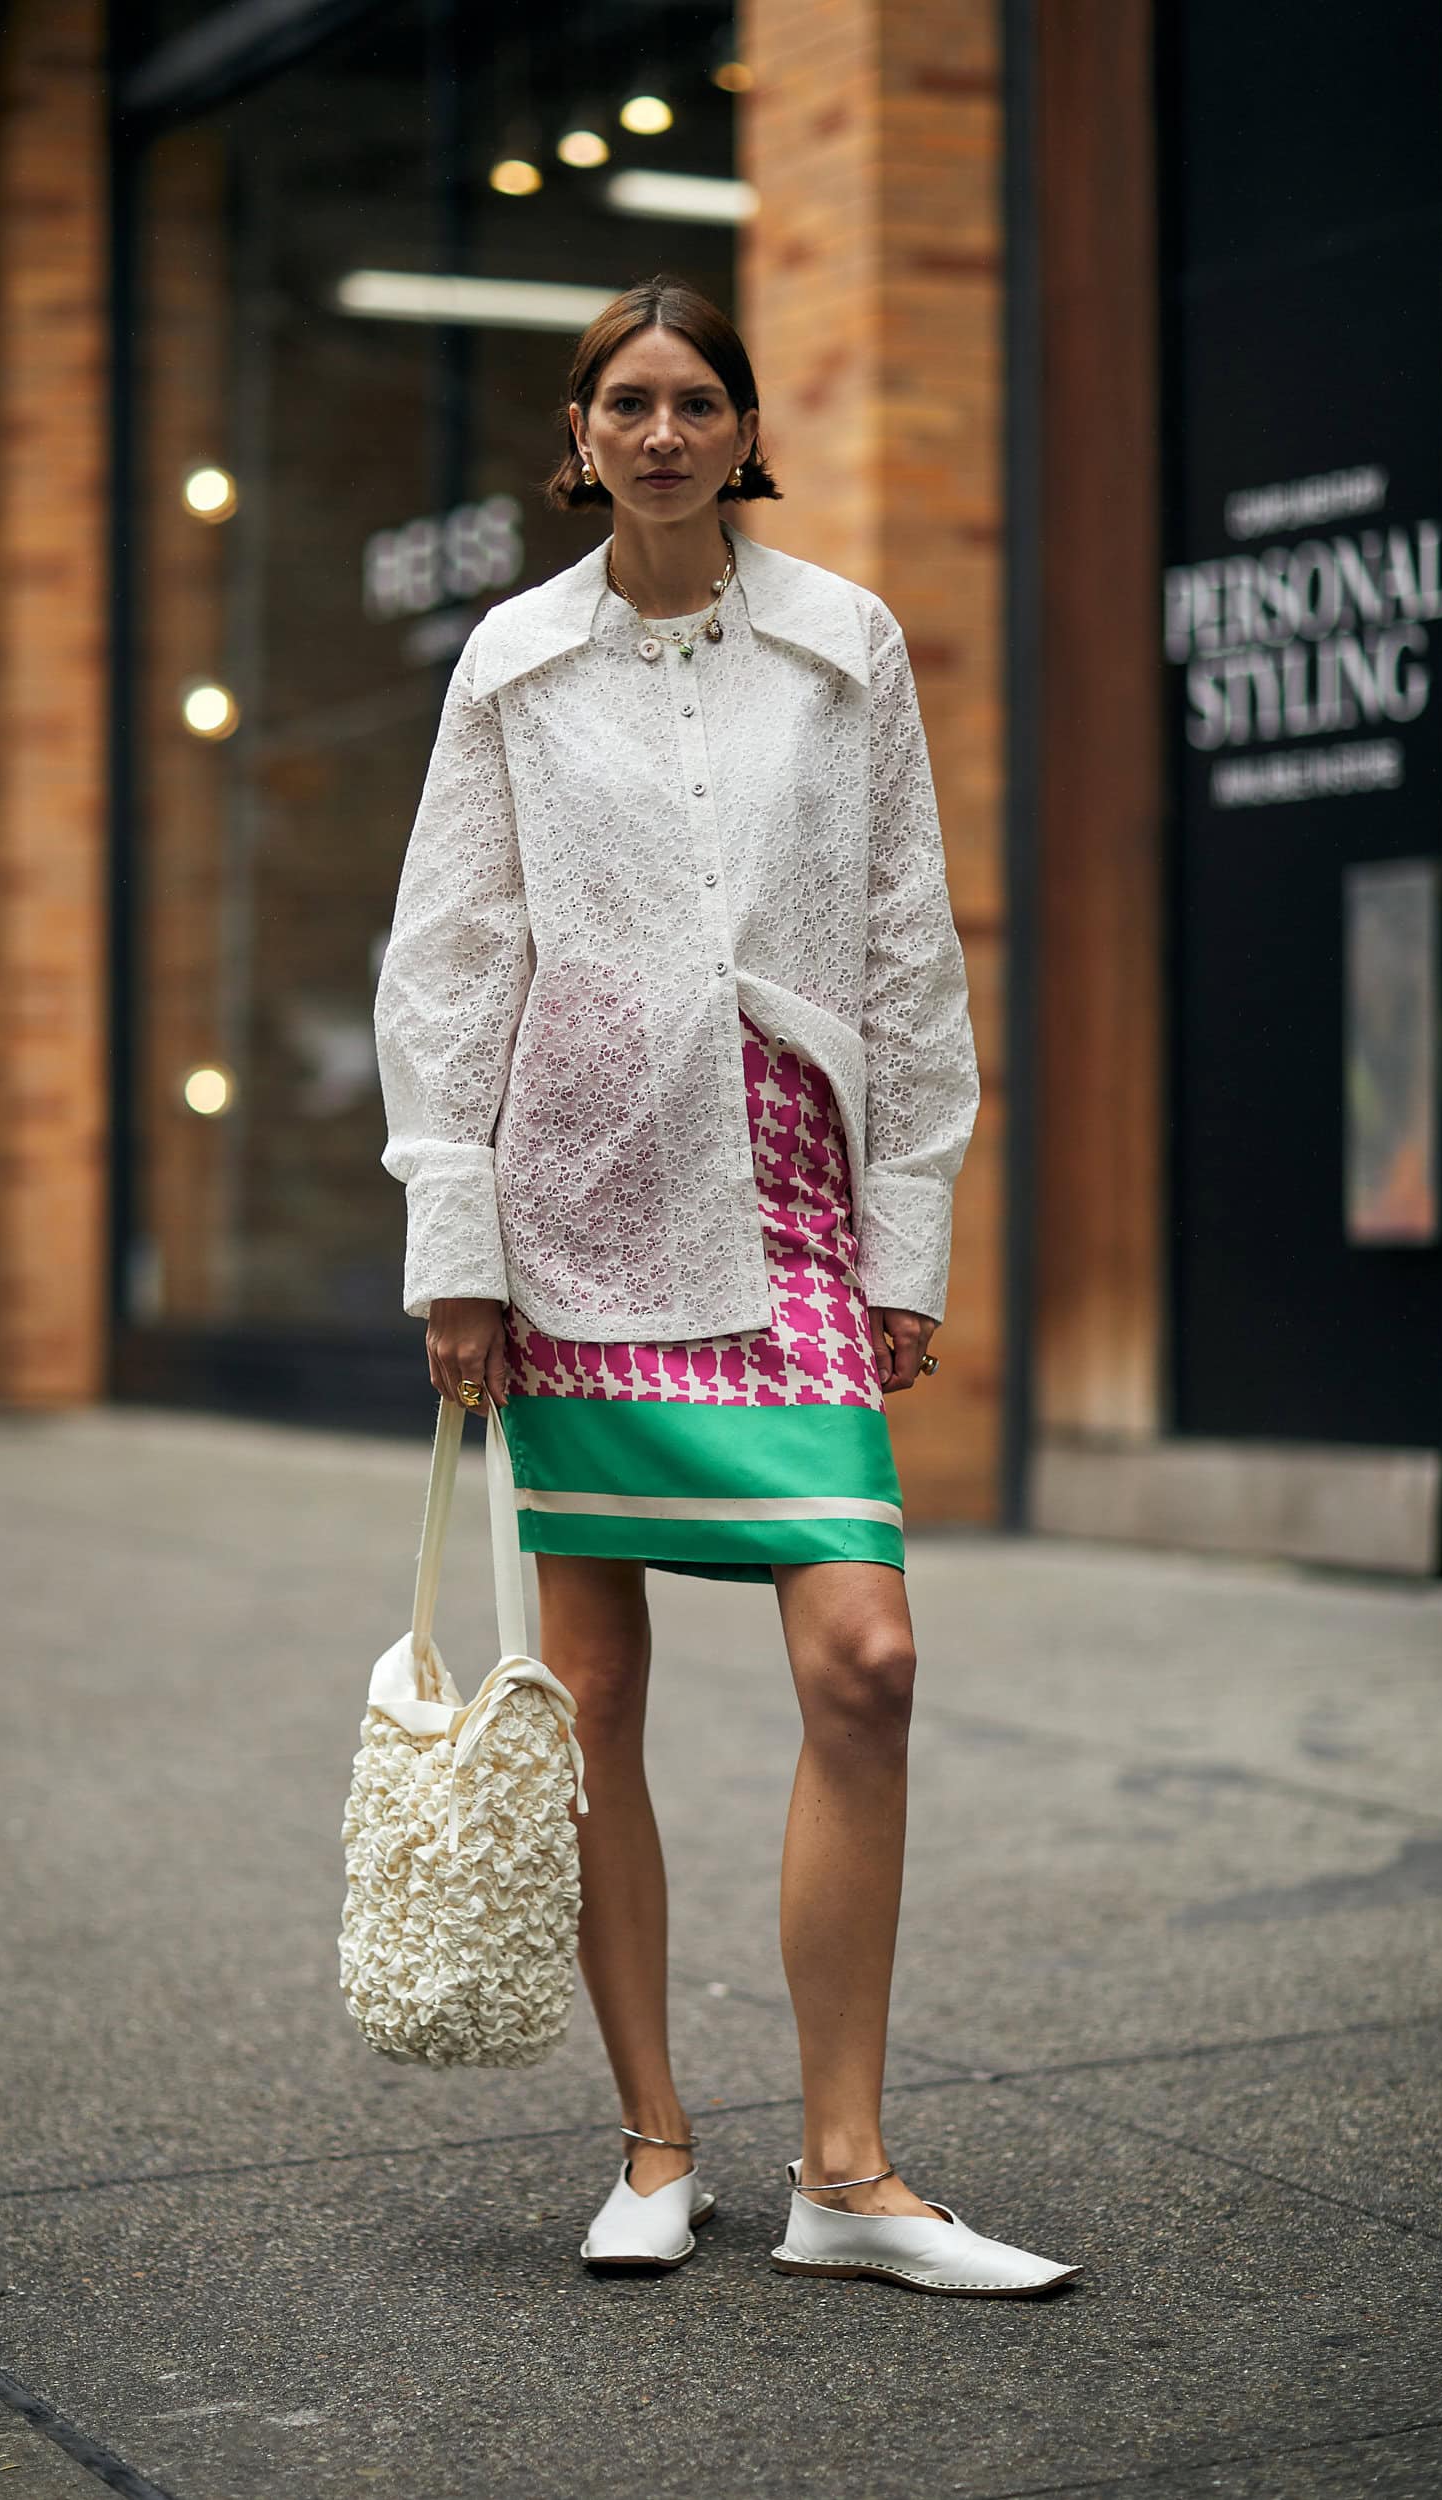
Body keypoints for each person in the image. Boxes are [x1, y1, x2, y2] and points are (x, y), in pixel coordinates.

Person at [374, 276, 1081, 2296]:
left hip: (789, 1204)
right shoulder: (512, 662)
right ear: (577, 434)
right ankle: (654, 2142)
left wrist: (904, 1231)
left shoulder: (843, 643)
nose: (663, 432)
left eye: (696, 400)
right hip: (574, 1212)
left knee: (865, 1658)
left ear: (746, 429)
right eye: (626, 402)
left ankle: (845, 2171)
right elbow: (449, 961)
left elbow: (904, 947)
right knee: (589, 1691)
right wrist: (456, 1242)